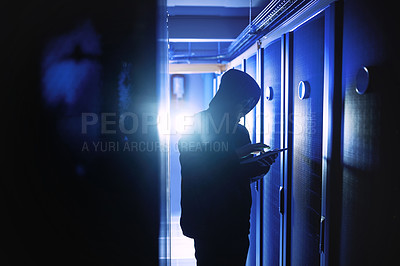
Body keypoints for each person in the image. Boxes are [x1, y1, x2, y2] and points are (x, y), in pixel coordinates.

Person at [178, 69, 278, 266]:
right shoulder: (197, 123)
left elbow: (240, 172)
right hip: (207, 220)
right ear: (229, 99)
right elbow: (193, 164)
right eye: (243, 104)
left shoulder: (241, 131)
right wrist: (236, 154)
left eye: (249, 107)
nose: (244, 112)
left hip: (236, 221)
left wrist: (261, 166)